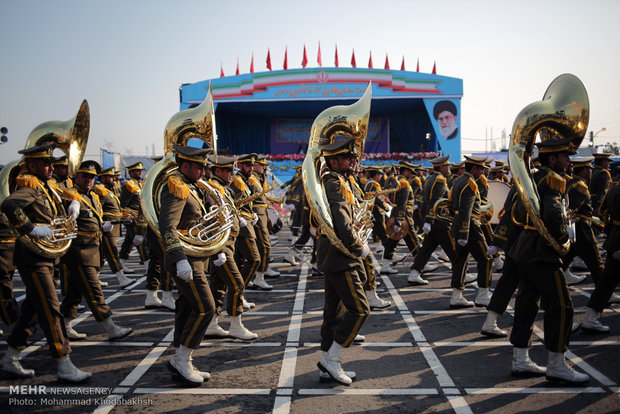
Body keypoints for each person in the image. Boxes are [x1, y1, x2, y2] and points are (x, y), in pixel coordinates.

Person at [0, 143, 90, 382]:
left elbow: (63, 196)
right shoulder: (29, 184)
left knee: (31, 309)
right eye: (46, 163)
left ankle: (10, 357)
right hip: (34, 260)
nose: (52, 167)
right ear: (32, 165)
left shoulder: (44, 186)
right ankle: (63, 361)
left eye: (52, 163)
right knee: (51, 309)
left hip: (45, 258)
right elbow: (9, 205)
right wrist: (31, 228)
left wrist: (74, 203)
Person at [509, 137, 589, 384]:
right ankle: (556, 363)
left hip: (525, 248)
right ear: (552, 158)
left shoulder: (533, 176)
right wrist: (564, 239)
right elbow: (554, 215)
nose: (568, 161)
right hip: (542, 252)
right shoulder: (552, 180)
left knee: (527, 303)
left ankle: (520, 359)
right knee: (562, 306)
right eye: (564, 156)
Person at [159, 145, 218, 386]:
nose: (204, 171)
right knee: (206, 307)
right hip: (185, 259)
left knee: (186, 307)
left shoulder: (193, 186)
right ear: (185, 166)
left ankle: (182, 359)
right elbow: (167, 227)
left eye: (205, 166)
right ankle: (181, 359)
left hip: (197, 256)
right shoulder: (176, 187)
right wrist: (179, 258)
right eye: (200, 167)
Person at [315, 138, 371, 386]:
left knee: (333, 313)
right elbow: (343, 224)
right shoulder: (335, 183)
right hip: (341, 256)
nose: (353, 160)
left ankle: (327, 363)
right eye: (348, 157)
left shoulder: (341, 180)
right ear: (333, 161)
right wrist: (360, 247)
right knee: (360, 309)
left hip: (335, 255)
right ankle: (332, 360)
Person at [59, 161, 133, 342]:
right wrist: (73, 201)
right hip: (79, 252)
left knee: (75, 293)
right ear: (76, 177)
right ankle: (110, 328)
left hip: (92, 250)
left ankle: (65, 326)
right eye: (84, 176)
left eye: (92, 177)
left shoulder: (92, 196)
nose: (88, 180)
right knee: (94, 291)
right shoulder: (69, 195)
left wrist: (103, 224)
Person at [205, 155, 258, 341]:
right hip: (221, 245)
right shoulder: (212, 190)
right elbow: (213, 219)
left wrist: (239, 218)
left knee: (218, 286)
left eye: (231, 170)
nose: (231, 174)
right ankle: (236, 325)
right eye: (227, 170)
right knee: (237, 284)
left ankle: (212, 324)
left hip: (229, 242)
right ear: (217, 170)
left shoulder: (223, 189)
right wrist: (218, 249)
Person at [449, 155, 492, 308]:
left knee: (461, 260)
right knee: (486, 259)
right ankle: (482, 295)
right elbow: (466, 210)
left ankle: (456, 296)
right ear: (473, 168)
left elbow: (452, 204)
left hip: (460, 225)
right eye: (480, 168)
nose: (482, 171)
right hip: (470, 227)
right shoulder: (470, 183)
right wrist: (464, 233)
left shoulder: (458, 180)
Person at [578, 180, 619, 332]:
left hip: (614, 240)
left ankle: (591, 317)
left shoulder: (614, 188)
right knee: (607, 282)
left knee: (606, 282)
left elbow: (602, 212)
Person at [408, 155, 456, 285]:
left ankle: (414, 273)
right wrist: (428, 221)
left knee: (426, 250)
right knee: (453, 249)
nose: (449, 167)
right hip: (439, 222)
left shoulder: (431, 178)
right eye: (447, 165)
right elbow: (434, 203)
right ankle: (461, 274)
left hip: (433, 221)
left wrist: (427, 220)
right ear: (441, 167)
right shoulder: (440, 180)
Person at [94, 167, 135, 289]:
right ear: (103, 178)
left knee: (104, 255)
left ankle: (95, 278)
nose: (113, 178)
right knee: (112, 252)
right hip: (107, 226)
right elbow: (97, 209)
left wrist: (123, 215)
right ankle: (121, 278)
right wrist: (101, 223)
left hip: (114, 225)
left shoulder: (109, 190)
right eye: (110, 177)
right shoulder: (100, 190)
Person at [230, 154, 262, 298]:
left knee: (241, 262)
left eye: (252, 165)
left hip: (248, 222)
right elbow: (233, 205)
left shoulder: (245, 180)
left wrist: (252, 214)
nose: (251, 168)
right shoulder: (237, 181)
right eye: (248, 166)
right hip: (242, 226)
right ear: (240, 166)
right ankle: (238, 293)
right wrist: (241, 217)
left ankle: (238, 295)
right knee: (255, 259)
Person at [249, 156, 281, 287]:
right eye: (262, 166)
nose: (264, 168)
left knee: (264, 246)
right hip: (257, 215)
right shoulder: (251, 179)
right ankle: (259, 277)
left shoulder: (259, 178)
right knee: (264, 246)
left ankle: (263, 270)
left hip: (263, 214)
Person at [119, 162, 148, 273]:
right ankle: (148, 267)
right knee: (142, 244)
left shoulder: (140, 184)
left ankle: (121, 265)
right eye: (137, 171)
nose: (140, 172)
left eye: (140, 171)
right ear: (131, 173)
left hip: (140, 217)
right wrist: (127, 215)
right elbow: (123, 204)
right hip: (133, 220)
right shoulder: (129, 185)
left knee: (128, 243)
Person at [589, 152, 612, 217]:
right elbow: (603, 192)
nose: (609, 165)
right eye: (607, 162)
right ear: (603, 162)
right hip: (598, 207)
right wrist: (600, 208)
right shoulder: (604, 174)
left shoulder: (593, 172)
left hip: (591, 203)